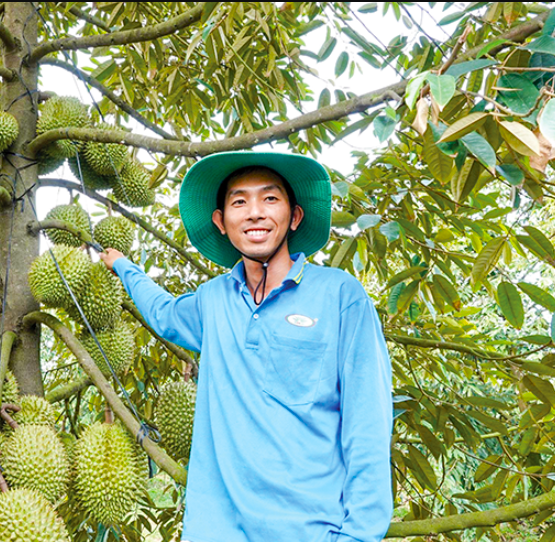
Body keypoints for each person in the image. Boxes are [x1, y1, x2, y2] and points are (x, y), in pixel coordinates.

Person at [100, 151, 393, 542]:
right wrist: (124, 266)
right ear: (221, 222)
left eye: (270, 199)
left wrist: (359, 535)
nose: (255, 212)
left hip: (311, 531)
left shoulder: (340, 296)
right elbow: (164, 313)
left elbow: (367, 421)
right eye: (239, 201)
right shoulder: (213, 299)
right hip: (215, 530)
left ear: (295, 216)